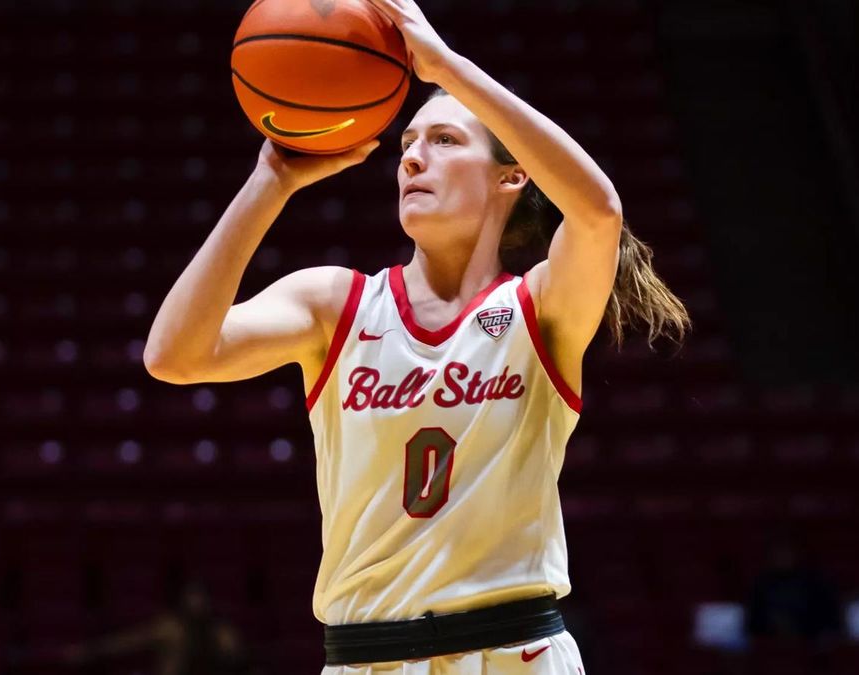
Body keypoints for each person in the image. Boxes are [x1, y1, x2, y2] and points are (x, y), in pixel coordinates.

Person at [144, 0, 690, 671]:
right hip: (366, 657)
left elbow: (599, 208)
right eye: (406, 145)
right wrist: (269, 184)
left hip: (513, 651)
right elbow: (172, 355)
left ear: (512, 175)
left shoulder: (539, 308)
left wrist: (448, 68)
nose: (412, 160)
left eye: (445, 142)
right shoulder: (335, 303)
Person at [61, 578, 250, 675]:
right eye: (192, 597)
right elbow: (127, 642)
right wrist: (89, 651)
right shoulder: (169, 628)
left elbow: (240, 661)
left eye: (200, 598)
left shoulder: (222, 633)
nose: (197, 603)